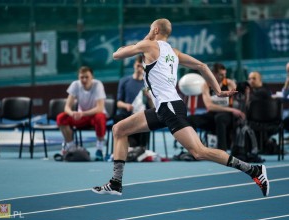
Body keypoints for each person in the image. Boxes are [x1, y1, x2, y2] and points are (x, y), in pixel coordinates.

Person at [92, 18, 269, 196]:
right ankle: (116, 182)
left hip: (169, 107)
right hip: (165, 107)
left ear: (155, 30)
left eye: (150, 29)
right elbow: (201, 65)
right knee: (119, 129)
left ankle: (253, 171)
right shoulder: (174, 53)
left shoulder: (148, 45)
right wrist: (217, 91)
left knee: (199, 152)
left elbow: (117, 54)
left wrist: (147, 37)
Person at [187, 63, 245, 151]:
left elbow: (238, 102)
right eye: (221, 75)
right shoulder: (206, 85)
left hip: (228, 116)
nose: (224, 77)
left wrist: (233, 109)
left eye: (225, 74)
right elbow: (209, 106)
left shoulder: (229, 84)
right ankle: (196, 149)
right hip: (213, 115)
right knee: (190, 119)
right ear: (213, 74)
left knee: (220, 117)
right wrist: (231, 109)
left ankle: (222, 151)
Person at [57, 66, 107, 161]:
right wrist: (72, 113)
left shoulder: (98, 85)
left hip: (94, 115)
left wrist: (82, 114)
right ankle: (70, 146)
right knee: (61, 117)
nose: (84, 79)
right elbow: (66, 107)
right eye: (81, 77)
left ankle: (99, 148)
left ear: (92, 77)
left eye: (87, 77)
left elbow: (100, 108)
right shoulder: (75, 85)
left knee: (100, 117)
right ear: (78, 78)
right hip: (81, 116)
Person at [115, 55, 151, 158]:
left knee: (147, 120)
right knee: (119, 119)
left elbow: (152, 106)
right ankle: (128, 147)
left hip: (141, 115)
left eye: (142, 66)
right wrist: (126, 105)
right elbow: (118, 102)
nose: (139, 68)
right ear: (134, 65)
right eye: (138, 65)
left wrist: (149, 98)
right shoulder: (124, 81)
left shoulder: (148, 83)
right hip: (126, 114)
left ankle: (141, 148)